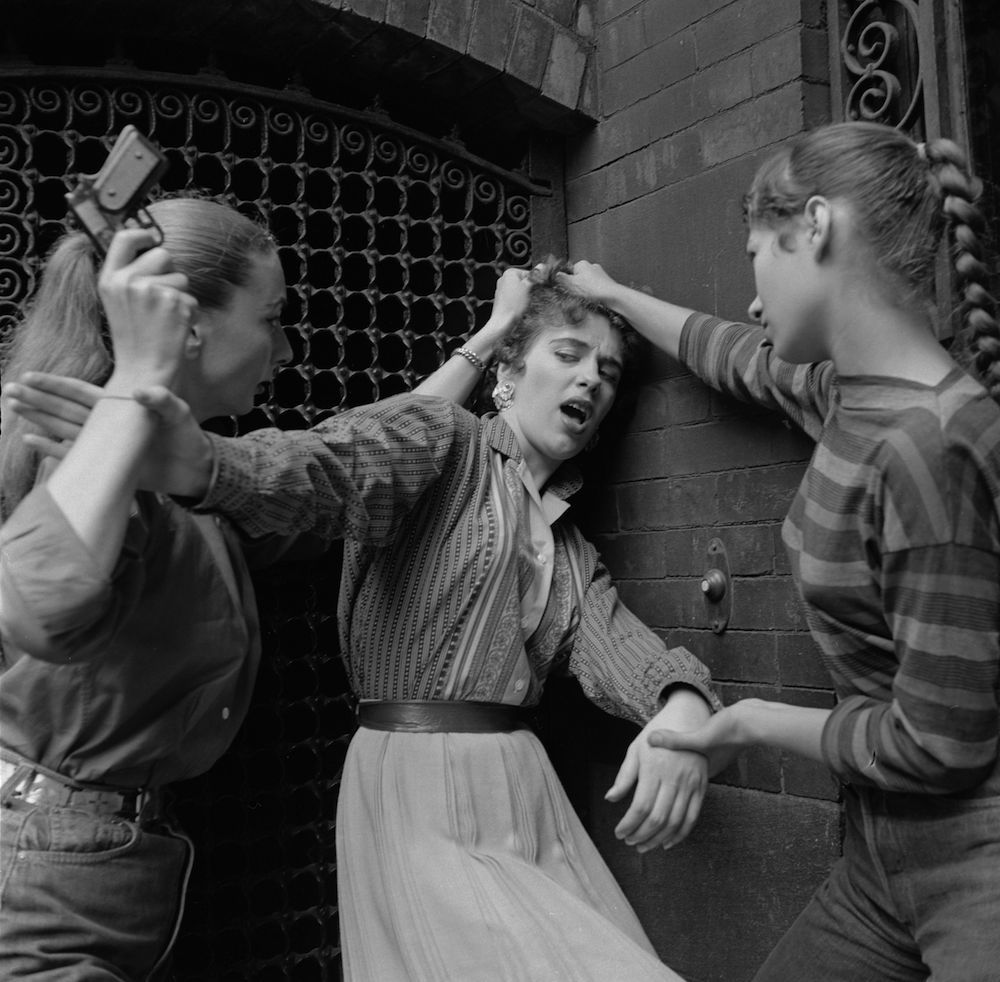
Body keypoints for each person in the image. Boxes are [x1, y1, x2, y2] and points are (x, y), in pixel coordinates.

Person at [7, 259, 722, 980]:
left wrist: (682, 702)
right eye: (568, 356)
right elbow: (328, 466)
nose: (591, 380)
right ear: (508, 368)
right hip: (417, 788)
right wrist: (208, 464)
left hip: (527, 795)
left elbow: (616, 644)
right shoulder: (443, 439)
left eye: (607, 371)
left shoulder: (571, 549)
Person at [560, 121, 1000, 981]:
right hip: (878, 858)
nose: (754, 296)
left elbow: (943, 747)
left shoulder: (933, 446)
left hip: (977, 861)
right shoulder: (848, 392)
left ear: (817, 228)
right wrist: (613, 296)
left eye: (757, 249)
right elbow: (730, 351)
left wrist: (750, 722)